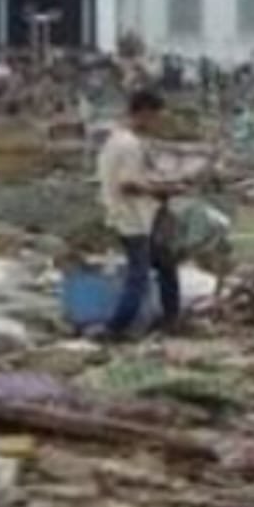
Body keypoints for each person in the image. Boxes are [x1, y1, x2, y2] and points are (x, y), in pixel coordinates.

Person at [99, 89, 180, 341]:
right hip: (133, 217)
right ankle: (116, 327)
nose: (157, 124)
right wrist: (161, 190)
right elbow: (128, 184)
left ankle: (171, 318)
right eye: (156, 118)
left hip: (131, 214)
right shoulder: (129, 145)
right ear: (144, 113)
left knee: (165, 264)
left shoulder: (116, 140)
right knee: (139, 275)